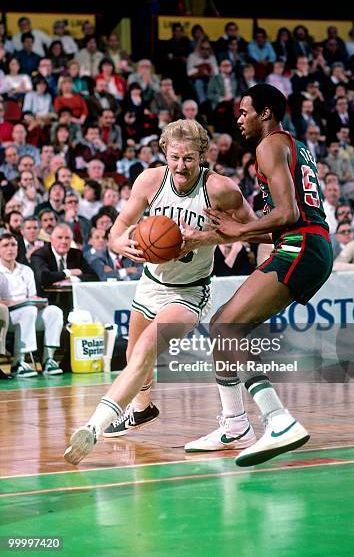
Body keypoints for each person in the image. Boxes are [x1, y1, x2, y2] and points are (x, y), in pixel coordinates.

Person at [63, 119, 255, 464]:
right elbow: (117, 231)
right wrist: (124, 244)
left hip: (189, 291)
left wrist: (208, 237)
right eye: (175, 157)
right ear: (165, 152)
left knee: (144, 352)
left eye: (189, 159)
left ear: (203, 157)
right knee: (134, 357)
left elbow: (257, 231)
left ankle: (92, 427)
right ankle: (141, 408)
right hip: (150, 283)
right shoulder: (150, 180)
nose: (181, 166)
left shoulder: (222, 189)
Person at [183, 84, 333, 467]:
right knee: (222, 326)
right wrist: (214, 235)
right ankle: (235, 425)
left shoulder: (268, 146)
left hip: (301, 245)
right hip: (306, 244)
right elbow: (285, 220)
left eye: (244, 111)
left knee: (226, 327)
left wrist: (237, 231)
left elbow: (287, 215)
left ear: (265, 113)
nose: (239, 119)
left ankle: (278, 419)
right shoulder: (292, 146)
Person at [0, 233, 64, 377]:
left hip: (29, 313)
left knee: (54, 311)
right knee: (28, 310)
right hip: (8, 317)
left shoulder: (26, 270)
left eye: (13, 245)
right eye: (5, 245)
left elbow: (32, 296)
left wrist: (39, 302)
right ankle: (18, 362)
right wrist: (22, 303)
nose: (10, 249)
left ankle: (49, 359)